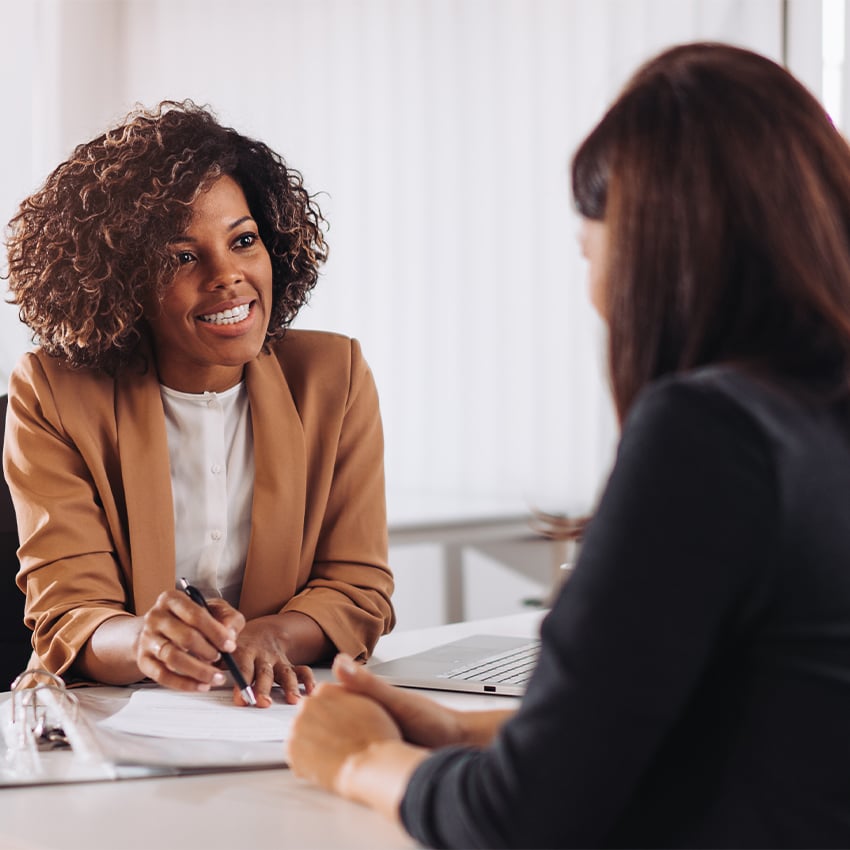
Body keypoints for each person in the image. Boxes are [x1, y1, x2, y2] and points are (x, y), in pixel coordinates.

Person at [286, 42, 850, 847]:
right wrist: (461, 734)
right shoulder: (815, 420)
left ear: (654, 251)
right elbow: (752, 722)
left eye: (589, 251)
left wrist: (360, 761)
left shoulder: (711, 435)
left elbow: (525, 820)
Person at [3, 101, 394, 706]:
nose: (228, 275)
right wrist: (145, 642)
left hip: (273, 713)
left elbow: (357, 587)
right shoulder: (54, 392)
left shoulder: (331, 377)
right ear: (123, 280)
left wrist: (272, 637)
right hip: (112, 720)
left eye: (243, 240)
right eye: (183, 257)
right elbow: (71, 613)